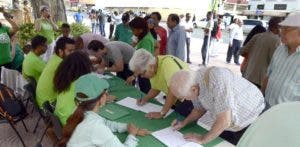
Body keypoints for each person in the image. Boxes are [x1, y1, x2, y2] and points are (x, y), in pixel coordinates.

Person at [169, 68, 265, 145]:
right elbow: (198, 109)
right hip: (230, 119)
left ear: (194, 89)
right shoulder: (193, 82)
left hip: (251, 115)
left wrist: (202, 139)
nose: (186, 100)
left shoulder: (217, 80)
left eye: (185, 97)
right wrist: (183, 123)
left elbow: (224, 121)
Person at [58, 73, 150, 147]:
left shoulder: (79, 110)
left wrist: (126, 127)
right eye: (106, 93)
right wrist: (132, 135)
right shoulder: (95, 126)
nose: (107, 95)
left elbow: (105, 122)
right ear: (102, 99)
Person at [127, 49, 193, 118]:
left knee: (183, 123)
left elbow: (172, 91)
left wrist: (162, 113)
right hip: (178, 100)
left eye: (142, 73)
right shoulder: (153, 69)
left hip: (189, 99)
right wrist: (145, 98)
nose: (142, 76)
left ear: (151, 66)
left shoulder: (168, 64)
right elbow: (155, 88)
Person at [261, 12, 300, 108]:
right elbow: (268, 76)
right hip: (265, 105)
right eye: (281, 28)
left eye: (286, 29)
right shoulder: (280, 49)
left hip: (286, 116)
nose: (281, 32)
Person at [240, 17, 282, 88]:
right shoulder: (276, 40)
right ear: (277, 27)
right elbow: (274, 62)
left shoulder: (257, 36)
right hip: (260, 80)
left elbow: (242, 51)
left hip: (247, 74)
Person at [53, 51, 93, 125]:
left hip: (63, 119)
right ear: (85, 68)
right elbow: (92, 103)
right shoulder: (80, 84)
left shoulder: (64, 80)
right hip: (72, 125)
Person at [36, 37, 75, 108]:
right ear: (60, 51)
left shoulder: (54, 58)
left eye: (74, 51)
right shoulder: (61, 64)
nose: (73, 54)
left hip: (43, 101)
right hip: (49, 105)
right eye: (70, 51)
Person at [129, 17, 155, 93]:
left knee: (145, 91)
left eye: (133, 30)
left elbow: (144, 62)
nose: (132, 32)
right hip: (143, 71)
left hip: (145, 72)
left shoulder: (146, 40)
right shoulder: (145, 36)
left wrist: (133, 76)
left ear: (140, 29)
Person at [0, 7, 19, 74]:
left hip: (8, 61)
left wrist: (7, 18)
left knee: (9, 83)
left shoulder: (4, 28)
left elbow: (16, 28)